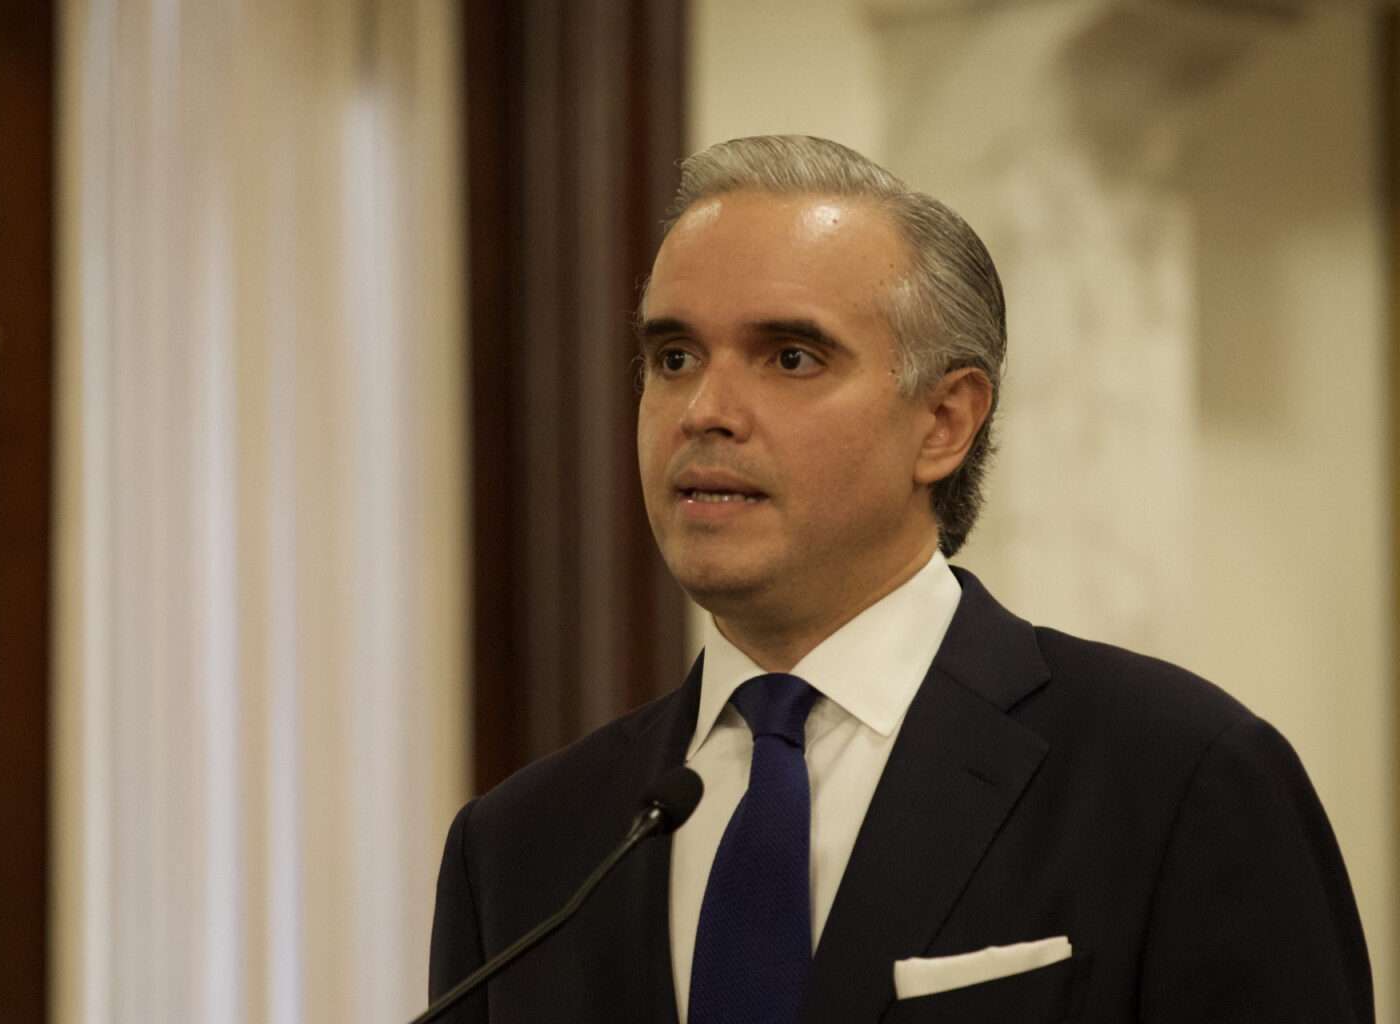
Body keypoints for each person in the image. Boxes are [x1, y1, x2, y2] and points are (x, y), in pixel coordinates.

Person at [427, 135, 1373, 1023]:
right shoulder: (521, 849)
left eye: (790, 357)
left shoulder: (1178, 778)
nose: (705, 410)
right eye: (673, 358)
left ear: (944, 423)